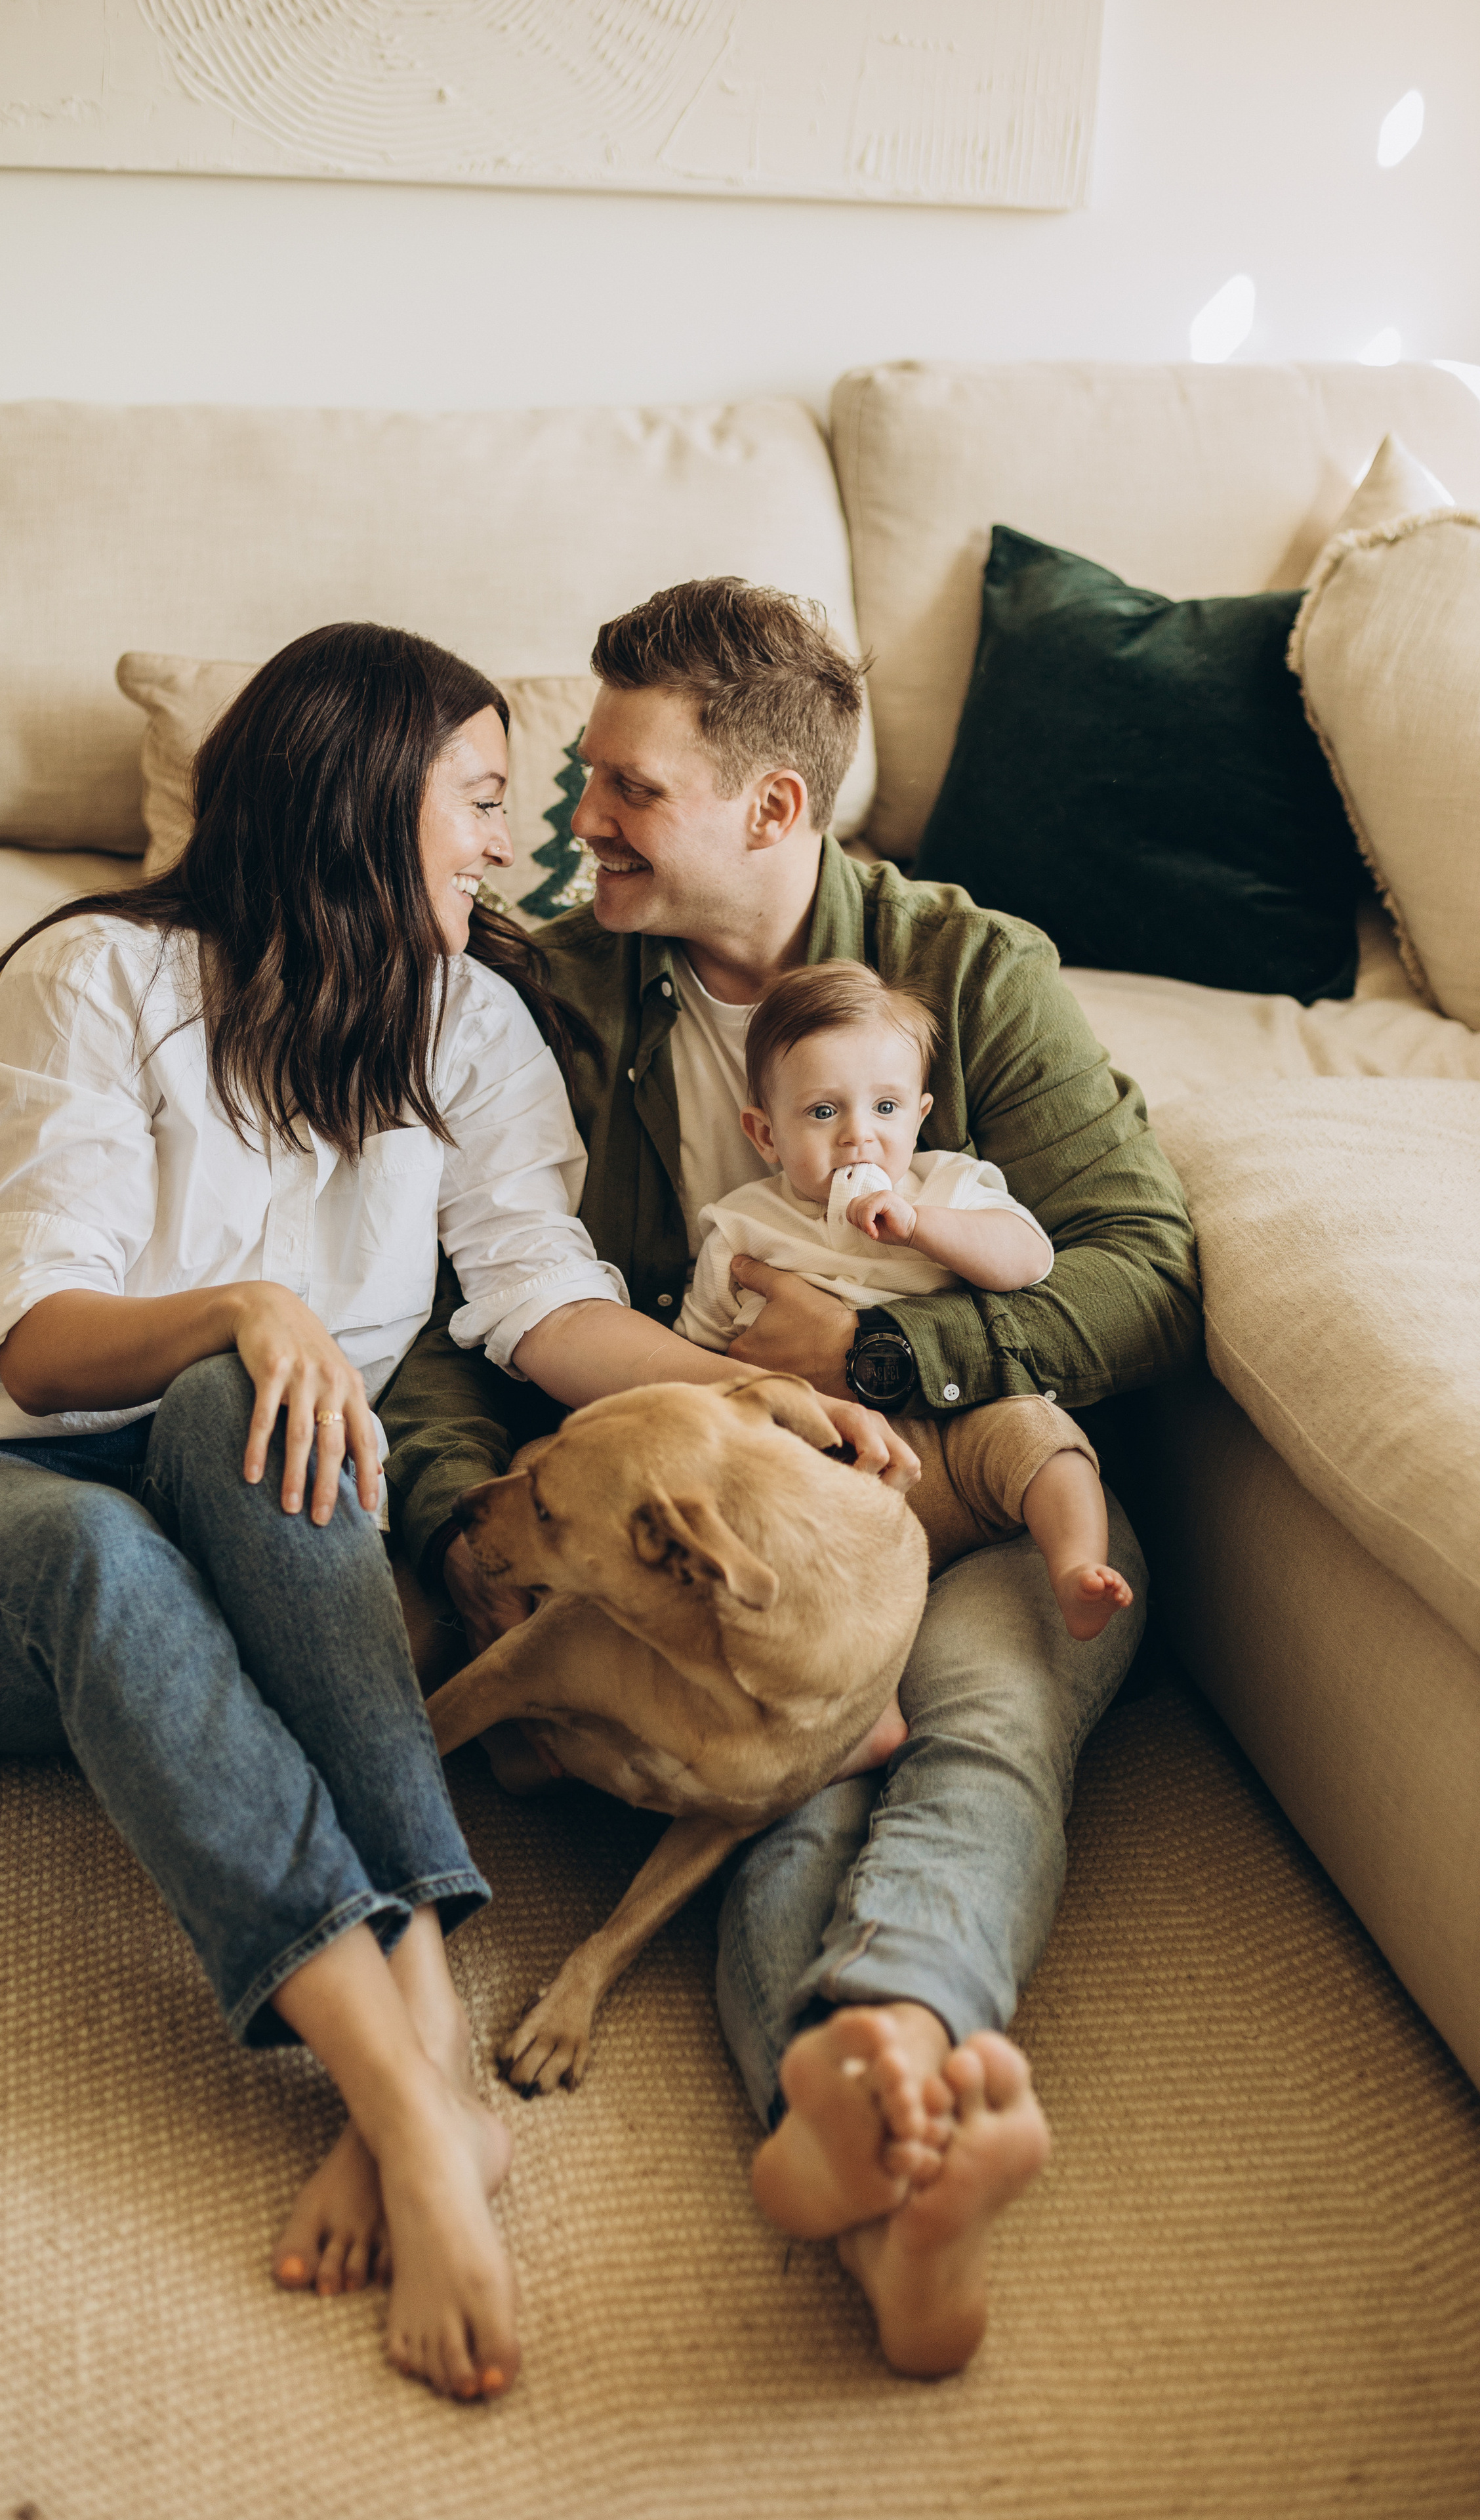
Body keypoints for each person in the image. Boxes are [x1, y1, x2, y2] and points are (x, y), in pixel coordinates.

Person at [0, 620, 905, 2404]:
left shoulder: (472, 1022)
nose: (505, 844)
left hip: (244, 1499)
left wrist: (750, 1400)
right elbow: (29, 1350)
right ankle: (419, 2100)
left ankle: (420, 2052)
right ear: (353, 798)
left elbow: (535, 1297)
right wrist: (248, 1307)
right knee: (187, 1440)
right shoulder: (93, 980)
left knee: (259, 1403)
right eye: (479, 801)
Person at [380, 578, 1202, 2378]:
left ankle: (881, 2065)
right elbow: (447, 1308)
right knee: (778, 1789)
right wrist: (462, 1520)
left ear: (774, 812)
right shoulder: (547, 982)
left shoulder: (968, 970)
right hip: (704, 1542)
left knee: (984, 1722)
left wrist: (882, 1365)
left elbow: (1141, 1269)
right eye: (580, 778)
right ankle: (885, 2142)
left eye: (624, 788)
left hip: (965, 1489)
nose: (573, 823)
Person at [679, 957, 1136, 1643]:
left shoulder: (945, 1185)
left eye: (885, 1107)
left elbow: (1029, 1260)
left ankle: (1075, 1567)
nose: (858, 1135)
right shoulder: (743, 1230)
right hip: (830, 1460)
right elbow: (694, 1356)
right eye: (823, 1111)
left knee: (1044, 1436)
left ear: (920, 1116)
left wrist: (924, 1228)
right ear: (765, 1133)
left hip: (964, 1433)